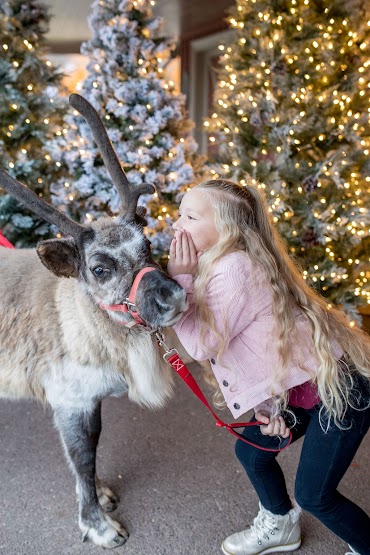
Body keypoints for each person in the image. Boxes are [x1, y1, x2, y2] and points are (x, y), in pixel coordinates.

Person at [167, 179, 370, 555]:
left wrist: (178, 280)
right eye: (180, 213)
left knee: (315, 495)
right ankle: (279, 525)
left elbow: (200, 346)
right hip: (303, 385)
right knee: (253, 453)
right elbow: (261, 347)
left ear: (226, 229)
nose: (176, 224)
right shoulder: (218, 263)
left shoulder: (234, 269)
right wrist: (270, 405)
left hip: (338, 391)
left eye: (191, 217)